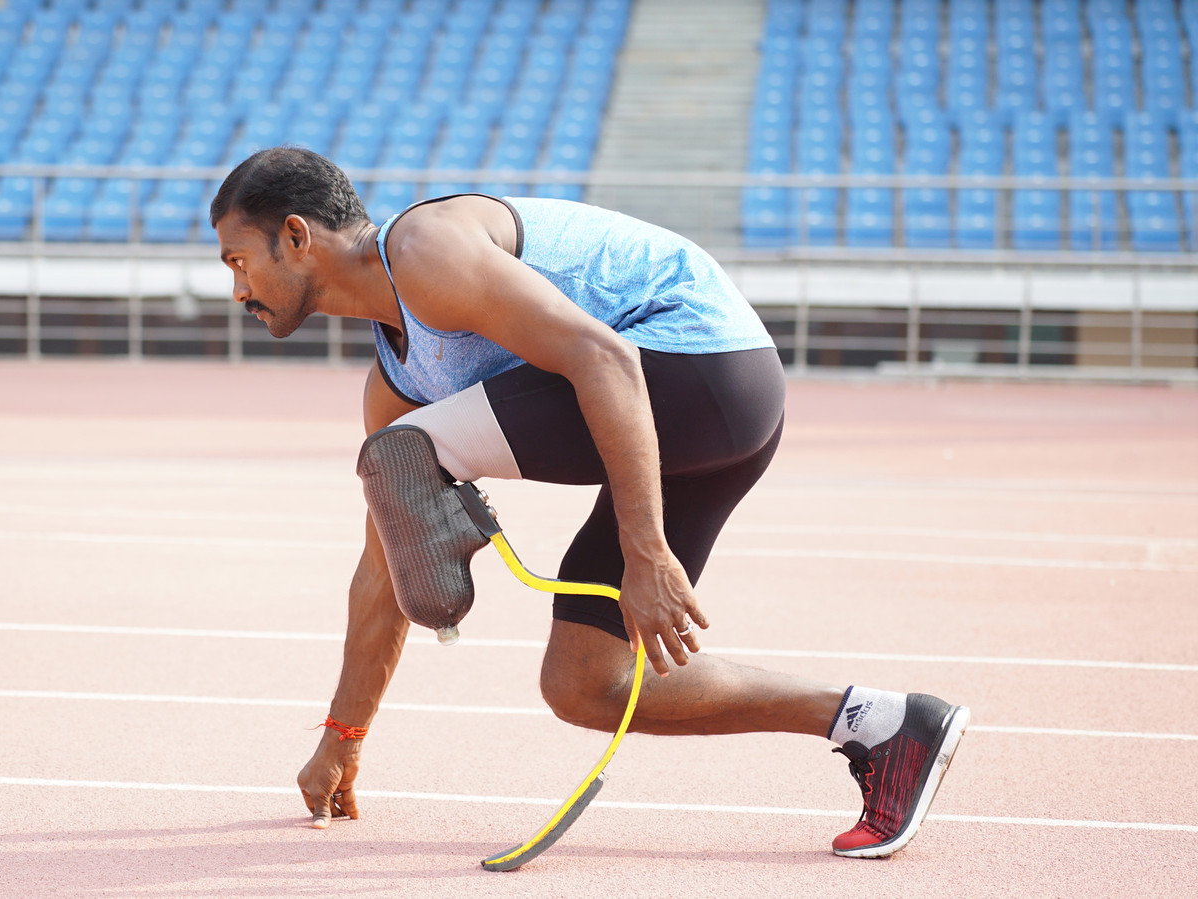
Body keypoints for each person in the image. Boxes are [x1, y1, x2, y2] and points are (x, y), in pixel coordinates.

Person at [209, 147, 969, 859]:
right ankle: (884, 723)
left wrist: (646, 550)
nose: (238, 289)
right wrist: (346, 729)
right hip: (695, 423)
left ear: (298, 236)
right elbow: (383, 566)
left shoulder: (425, 251)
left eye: (239, 261)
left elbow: (604, 355)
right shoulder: (397, 380)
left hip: (706, 369)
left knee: (401, 454)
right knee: (582, 683)